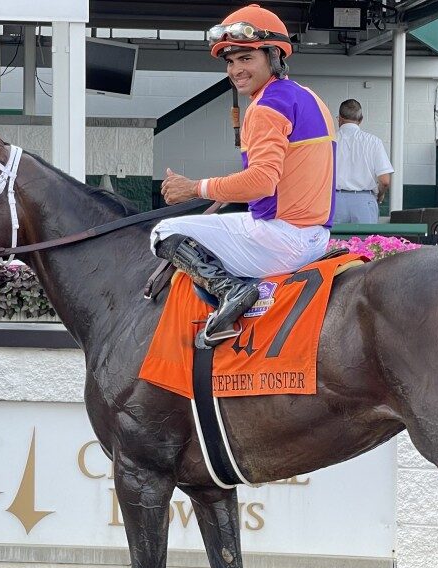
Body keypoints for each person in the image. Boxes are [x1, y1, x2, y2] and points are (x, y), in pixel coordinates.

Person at [154, 3, 335, 345]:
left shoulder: (265, 107)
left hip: (282, 238)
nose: (236, 69)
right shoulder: (307, 96)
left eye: (246, 58)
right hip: (314, 236)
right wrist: (220, 194)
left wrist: (195, 188)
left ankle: (231, 293)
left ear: (274, 57)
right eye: (231, 61)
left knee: (165, 231)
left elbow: (261, 182)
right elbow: (277, 177)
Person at [334, 99, 395, 224]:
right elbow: (385, 181)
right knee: (366, 242)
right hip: (364, 201)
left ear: (339, 118)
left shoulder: (330, 141)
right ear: (361, 119)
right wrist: (380, 195)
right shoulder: (373, 142)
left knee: (334, 242)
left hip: (335, 201)